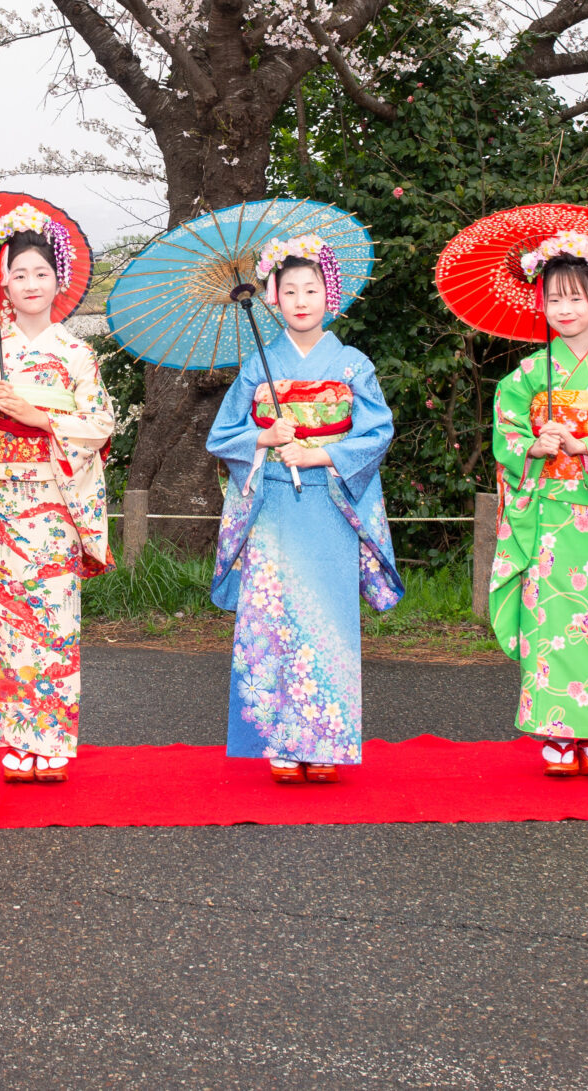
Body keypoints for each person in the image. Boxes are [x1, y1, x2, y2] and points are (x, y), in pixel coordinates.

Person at [204, 234, 400, 782]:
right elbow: (222, 435)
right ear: (272, 297)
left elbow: (377, 430)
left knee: (328, 620)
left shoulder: (352, 363)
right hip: (273, 507)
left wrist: (317, 453)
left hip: (331, 504)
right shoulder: (257, 365)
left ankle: (326, 742)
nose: (300, 300)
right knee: (274, 620)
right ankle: (282, 743)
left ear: (328, 293)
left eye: (311, 289)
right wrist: (264, 437)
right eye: (289, 290)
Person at [0, 204, 115, 782]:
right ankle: (16, 734)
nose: (31, 283)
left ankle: (51, 739)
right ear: (2, 284)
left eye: (42, 272)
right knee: (4, 617)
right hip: (0, 502)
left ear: (59, 281)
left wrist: (41, 419)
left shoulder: (77, 354)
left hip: (54, 503)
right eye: (19, 274)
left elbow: (100, 423)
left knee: (52, 617)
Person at [487, 232, 588, 778]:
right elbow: (504, 430)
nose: (565, 308)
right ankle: (556, 730)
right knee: (548, 620)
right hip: (547, 514)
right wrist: (534, 446)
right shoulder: (529, 374)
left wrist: (586, 446)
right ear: (541, 304)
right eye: (554, 298)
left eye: (576, 297)